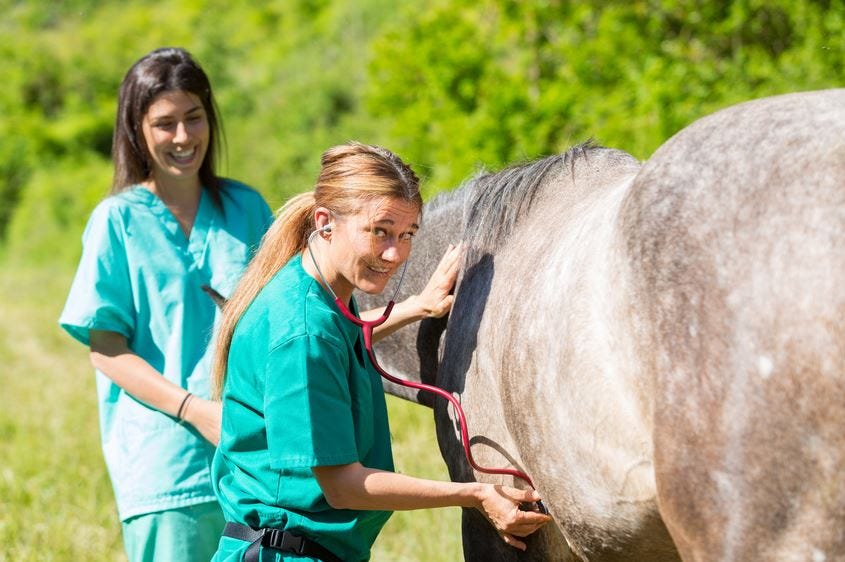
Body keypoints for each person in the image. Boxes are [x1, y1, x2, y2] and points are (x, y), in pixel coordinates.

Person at [210, 142, 551, 562]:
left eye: (407, 234)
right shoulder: (301, 331)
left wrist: (417, 306)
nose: (395, 254)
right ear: (325, 222)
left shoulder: (317, 292)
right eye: (380, 231)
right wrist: (476, 494)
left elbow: (337, 344)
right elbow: (343, 485)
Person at [57, 47, 274, 561]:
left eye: (193, 117)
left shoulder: (248, 208)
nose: (183, 137)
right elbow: (105, 348)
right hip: (163, 467)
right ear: (137, 129)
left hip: (252, 463)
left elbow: (291, 315)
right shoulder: (117, 222)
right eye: (165, 123)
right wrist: (195, 411)